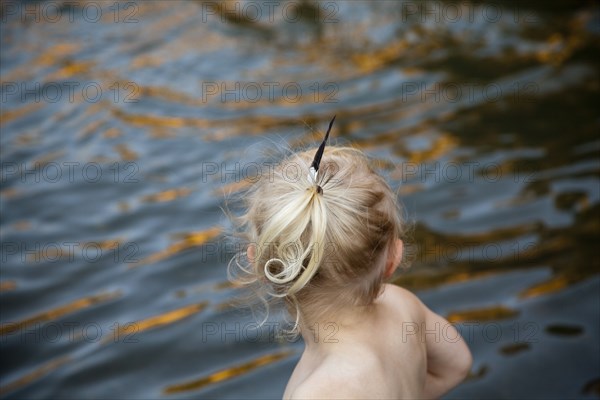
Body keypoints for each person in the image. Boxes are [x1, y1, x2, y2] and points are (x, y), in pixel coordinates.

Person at [230, 117, 472, 399]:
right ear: (392, 260)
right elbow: (456, 366)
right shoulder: (403, 306)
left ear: (261, 266)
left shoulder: (319, 392)